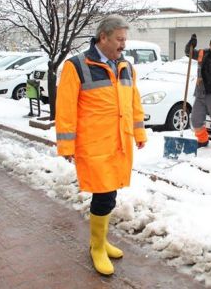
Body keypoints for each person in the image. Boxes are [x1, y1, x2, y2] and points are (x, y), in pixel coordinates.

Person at [56, 15, 147, 276]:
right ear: (103, 37)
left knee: (110, 193)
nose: (123, 45)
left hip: (119, 142)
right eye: (119, 39)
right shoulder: (77, 66)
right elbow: (65, 109)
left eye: (125, 39)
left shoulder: (126, 66)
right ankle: (97, 247)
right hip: (94, 145)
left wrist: (139, 133)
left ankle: (101, 240)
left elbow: (134, 103)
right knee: (104, 194)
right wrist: (66, 146)